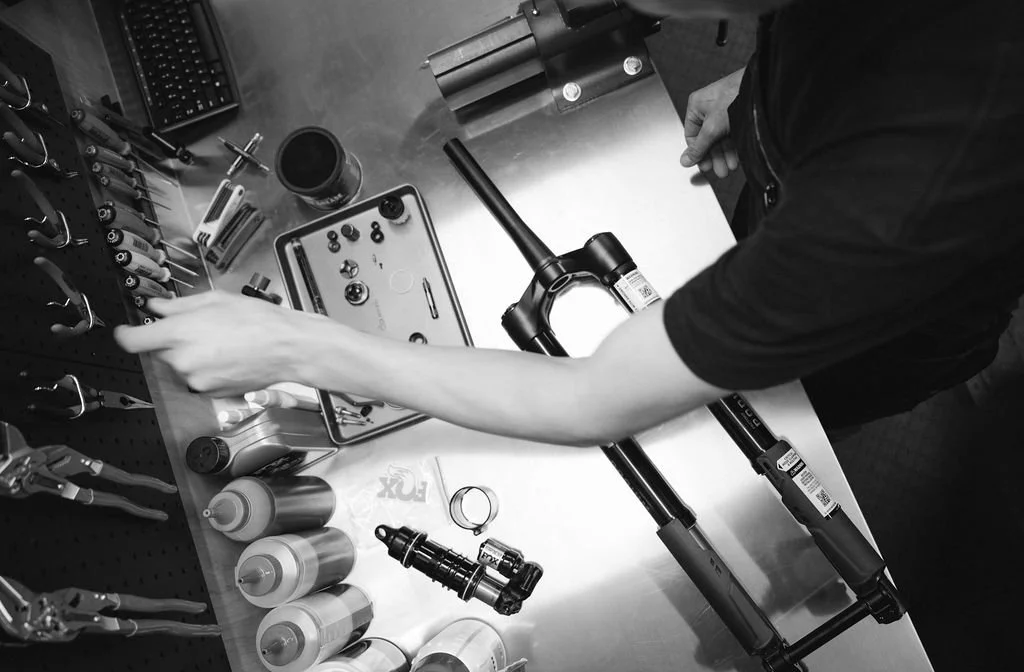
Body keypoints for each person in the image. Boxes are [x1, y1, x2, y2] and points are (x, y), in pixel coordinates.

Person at [116, 0, 1024, 442]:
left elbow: (595, 398)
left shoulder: (902, 194)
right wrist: (761, 96)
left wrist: (298, 347)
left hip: (887, 329)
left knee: (791, 415)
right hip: (820, 179)